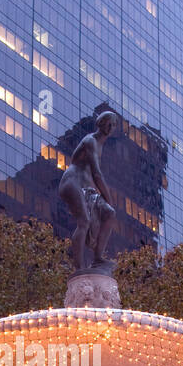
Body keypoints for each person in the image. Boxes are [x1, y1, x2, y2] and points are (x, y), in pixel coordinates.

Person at [58, 111, 119, 273]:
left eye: (113, 124)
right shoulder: (90, 141)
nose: (110, 126)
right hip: (72, 183)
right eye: (108, 122)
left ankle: (98, 258)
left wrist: (106, 204)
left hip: (86, 188)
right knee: (84, 221)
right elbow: (96, 174)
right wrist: (108, 198)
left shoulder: (101, 146)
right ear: (101, 123)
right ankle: (79, 268)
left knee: (109, 213)